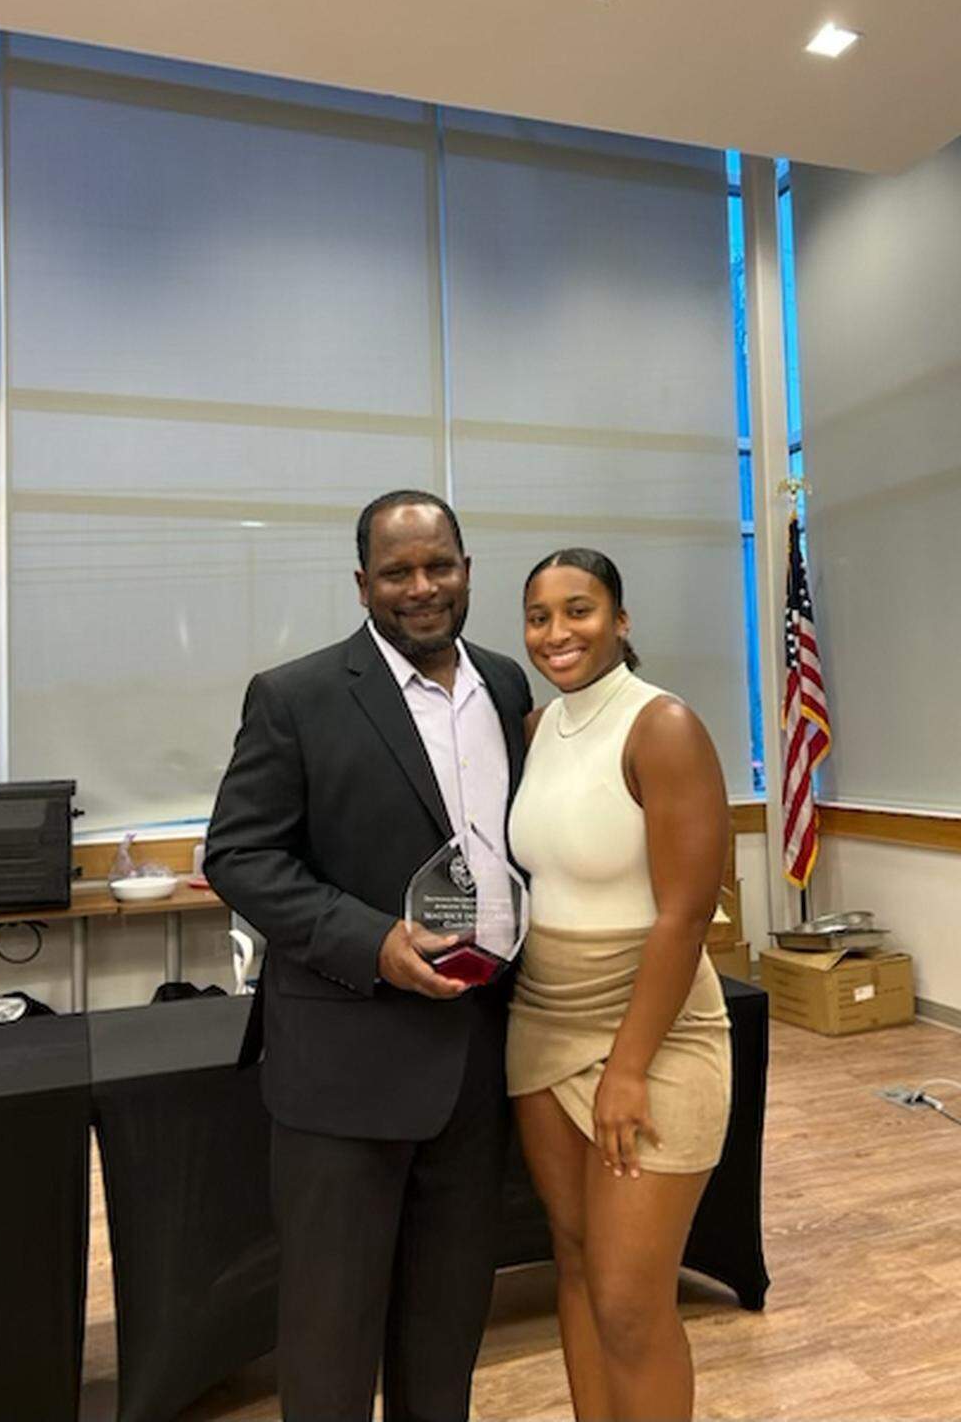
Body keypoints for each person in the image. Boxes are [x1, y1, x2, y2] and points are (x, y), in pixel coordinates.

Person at [204, 491, 532, 1422]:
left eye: (440, 565)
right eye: (398, 572)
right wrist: (373, 941)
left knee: (445, 1328)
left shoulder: (505, 685)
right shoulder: (297, 696)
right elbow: (238, 853)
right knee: (332, 1341)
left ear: (468, 568)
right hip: (344, 1073)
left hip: (475, 1054)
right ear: (362, 585)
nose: (422, 588)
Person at [506, 547, 731, 1422]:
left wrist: (630, 1066)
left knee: (633, 1302)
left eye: (579, 610)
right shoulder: (534, 731)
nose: (557, 632)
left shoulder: (662, 725)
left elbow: (686, 913)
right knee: (574, 1263)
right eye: (539, 616)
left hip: (656, 1031)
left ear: (621, 621)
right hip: (544, 1020)